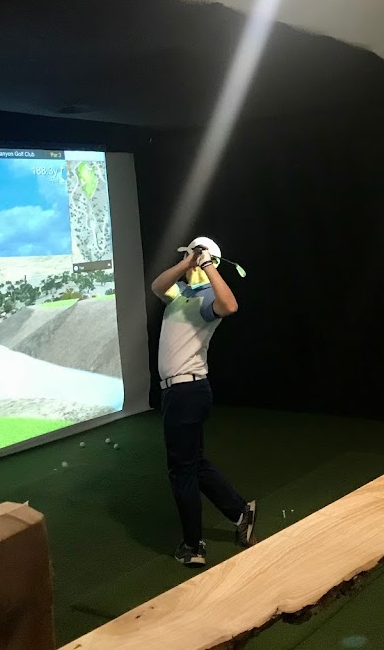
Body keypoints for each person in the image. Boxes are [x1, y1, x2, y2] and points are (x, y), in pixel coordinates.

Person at [150, 236, 256, 567]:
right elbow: (157, 285)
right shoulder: (179, 295)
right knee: (194, 463)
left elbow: (231, 306)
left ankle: (193, 546)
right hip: (178, 392)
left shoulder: (208, 297)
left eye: (193, 256)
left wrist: (207, 264)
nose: (189, 261)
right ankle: (240, 512)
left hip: (186, 391)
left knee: (181, 470)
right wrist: (187, 262)